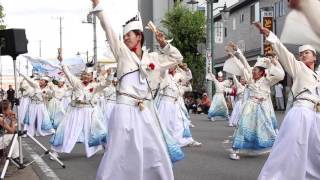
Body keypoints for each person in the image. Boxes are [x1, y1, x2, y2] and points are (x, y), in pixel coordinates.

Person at [92, 0, 184, 179]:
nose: (125, 38)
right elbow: (109, 30)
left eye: (128, 35)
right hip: (124, 109)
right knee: (119, 151)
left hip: (146, 110)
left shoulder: (154, 58)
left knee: (153, 148)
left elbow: (177, 57)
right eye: (124, 36)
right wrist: (99, 7)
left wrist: (164, 43)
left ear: (139, 36)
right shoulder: (122, 53)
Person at [257, 27, 320, 180]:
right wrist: (270, 36)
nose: (302, 55)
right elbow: (285, 54)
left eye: (306, 53)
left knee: (315, 150)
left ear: (314, 57)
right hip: (301, 112)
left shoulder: (317, 75)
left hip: (315, 115)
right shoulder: (299, 68)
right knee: (290, 148)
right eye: (301, 54)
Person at [228, 44, 285, 160]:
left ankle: (277, 151)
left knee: (267, 128)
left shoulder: (268, 80)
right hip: (250, 106)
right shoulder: (249, 78)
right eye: (253, 69)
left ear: (261, 72)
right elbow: (244, 63)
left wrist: (273, 62)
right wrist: (237, 51)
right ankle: (235, 150)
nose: (253, 71)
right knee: (243, 127)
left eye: (256, 70)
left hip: (263, 107)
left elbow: (281, 75)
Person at [50, 64, 111, 158]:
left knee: (97, 130)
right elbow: (68, 74)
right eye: (85, 74)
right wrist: (62, 63)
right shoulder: (76, 82)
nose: (86, 76)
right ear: (82, 76)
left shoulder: (95, 85)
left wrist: (109, 75)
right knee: (67, 129)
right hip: (76, 110)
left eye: (89, 75)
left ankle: (107, 148)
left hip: (90, 112)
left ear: (92, 76)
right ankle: (55, 150)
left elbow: (106, 83)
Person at [17, 73, 55, 137]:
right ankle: (28, 131)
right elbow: (30, 80)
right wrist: (24, 75)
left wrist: (46, 96)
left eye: (42, 81)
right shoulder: (36, 86)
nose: (40, 81)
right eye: (40, 80)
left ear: (46, 83)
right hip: (33, 104)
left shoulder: (48, 90)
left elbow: (50, 96)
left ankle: (41, 130)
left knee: (41, 118)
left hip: (41, 105)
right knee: (31, 118)